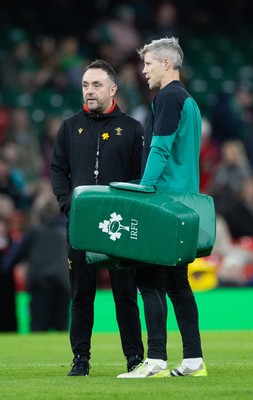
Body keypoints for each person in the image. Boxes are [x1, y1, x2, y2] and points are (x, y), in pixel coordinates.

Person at [117, 37, 206, 378]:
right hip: (185, 200)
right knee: (177, 283)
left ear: (166, 64)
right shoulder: (190, 101)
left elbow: (161, 148)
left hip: (164, 201)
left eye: (149, 64)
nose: (144, 71)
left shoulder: (167, 97)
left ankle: (154, 360)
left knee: (149, 280)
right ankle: (194, 361)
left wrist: (145, 188)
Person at [50, 59, 144, 376]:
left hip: (119, 225)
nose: (89, 91)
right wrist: (68, 204)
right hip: (81, 224)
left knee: (125, 295)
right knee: (81, 296)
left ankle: (134, 358)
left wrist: (127, 209)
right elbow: (57, 170)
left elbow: (139, 176)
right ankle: (81, 360)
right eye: (86, 85)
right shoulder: (69, 126)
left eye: (96, 85)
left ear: (113, 89)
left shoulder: (132, 129)